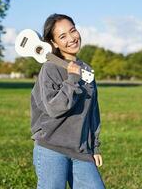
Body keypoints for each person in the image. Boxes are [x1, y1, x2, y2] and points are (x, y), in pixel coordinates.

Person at [30, 13, 105, 189]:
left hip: (80, 150)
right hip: (51, 147)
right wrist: (72, 79)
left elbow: (92, 112)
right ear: (54, 43)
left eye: (73, 31)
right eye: (63, 36)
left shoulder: (86, 70)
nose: (72, 38)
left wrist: (94, 146)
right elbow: (55, 108)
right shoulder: (50, 68)